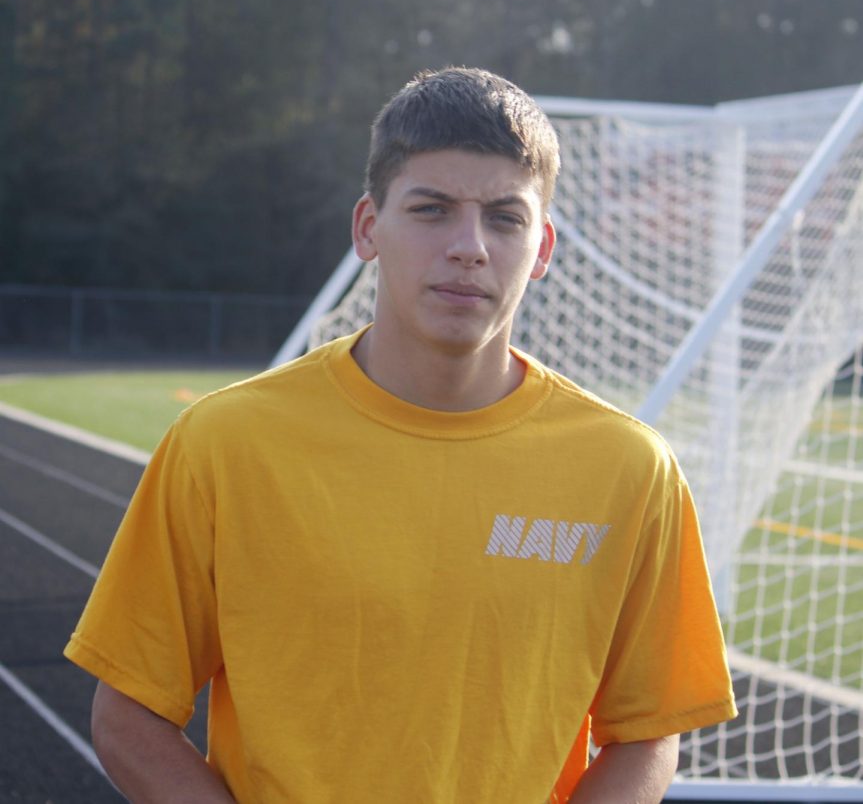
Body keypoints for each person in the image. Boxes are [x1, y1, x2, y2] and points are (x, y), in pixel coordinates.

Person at [65, 67, 737, 803]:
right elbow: (128, 711)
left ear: (541, 249)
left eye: (504, 219)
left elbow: (644, 733)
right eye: (431, 209)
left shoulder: (628, 467)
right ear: (367, 229)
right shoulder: (225, 443)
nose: (469, 246)